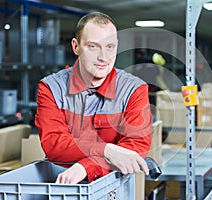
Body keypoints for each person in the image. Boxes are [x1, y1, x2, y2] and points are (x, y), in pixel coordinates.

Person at [35, 12, 152, 184]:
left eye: (110, 47)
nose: (103, 57)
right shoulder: (52, 88)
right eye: (93, 47)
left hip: (115, 187)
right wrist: (107, 150)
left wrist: (86, 166)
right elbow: (54, 143)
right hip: (63, 188)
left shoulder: (134, 89)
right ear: (76, 47)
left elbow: (135, 147)